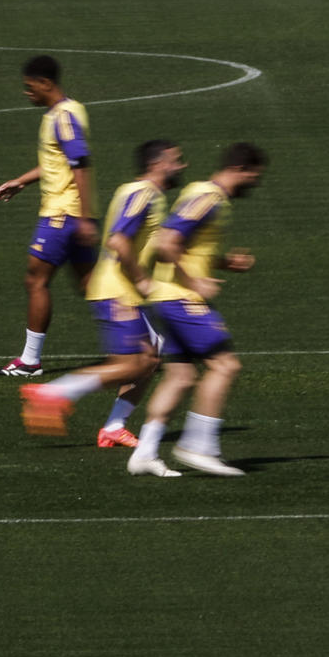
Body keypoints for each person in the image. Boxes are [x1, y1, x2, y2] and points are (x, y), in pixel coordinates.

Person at [19, 140, 184, 443]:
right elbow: (119, 241)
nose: (182, 166)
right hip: (117, 291)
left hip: (124, 291)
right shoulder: (143, 194)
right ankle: (53, 392)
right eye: (177, 160)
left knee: (150, 358)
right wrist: (142, 280)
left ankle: (113, 427)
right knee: (131, 364)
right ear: (158, 164)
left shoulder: (145, 194)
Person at [128, 143, 267, 477]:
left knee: (181, 376)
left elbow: (184, 244)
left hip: (166, 296)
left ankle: (144, 454)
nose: (255, 183)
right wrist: (196, 282)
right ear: (240, 170)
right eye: (254, 176)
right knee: (225, 366)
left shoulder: (201, 194)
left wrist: (222, 262)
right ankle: (197, 446)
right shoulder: (209, 197)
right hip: (181, 298)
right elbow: (167, 242)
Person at [0, 55, 97, 377]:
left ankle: (30, 361)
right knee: (92, 286)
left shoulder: (62, 117)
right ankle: (150, 338)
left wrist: (87, 218)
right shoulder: (67, 112)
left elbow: (80, 164)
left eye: (29, 87)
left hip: (61, 215)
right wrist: (22, 181)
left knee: (35, 280)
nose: (27, 93)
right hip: (70, 215)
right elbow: (60, 163)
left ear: (45, 83)